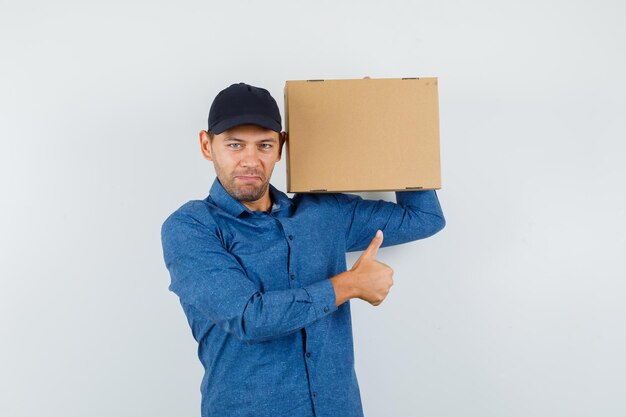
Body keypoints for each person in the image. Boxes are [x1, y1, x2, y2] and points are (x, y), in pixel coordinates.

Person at [160, 82, 446, 417]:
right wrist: (348, 285)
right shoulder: (192, 227)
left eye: (264, 145)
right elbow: (250, 318)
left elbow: (425, 217)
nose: (250, 161)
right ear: (207, 145)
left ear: (281, 147)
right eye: (235, 145)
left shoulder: (323, 214)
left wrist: (397, 122)